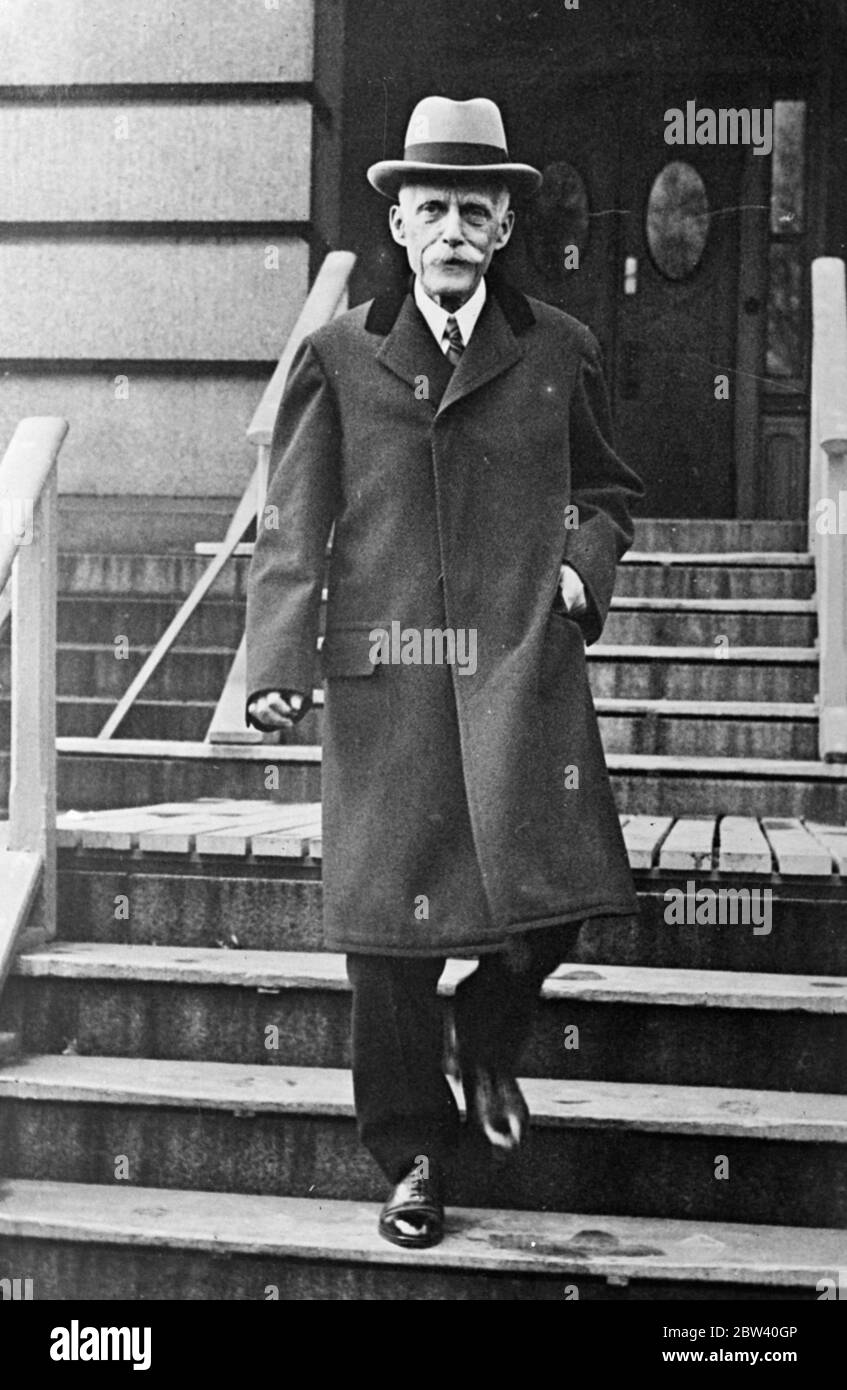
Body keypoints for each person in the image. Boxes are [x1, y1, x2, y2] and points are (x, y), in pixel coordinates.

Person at [246, 96, 644, 1249]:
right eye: (434, 209)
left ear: (507, 222)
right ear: (402, 225)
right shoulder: (338, 354)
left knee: (558, 902)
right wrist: (274, 663)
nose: (456, 228)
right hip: (390, 685)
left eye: (478, 207)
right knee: (388, 948)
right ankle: (413, 1158)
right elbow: (292, 520)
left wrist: (581, 570)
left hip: (521, 667)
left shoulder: (561, 349)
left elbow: (610, 489)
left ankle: (492, 1026)